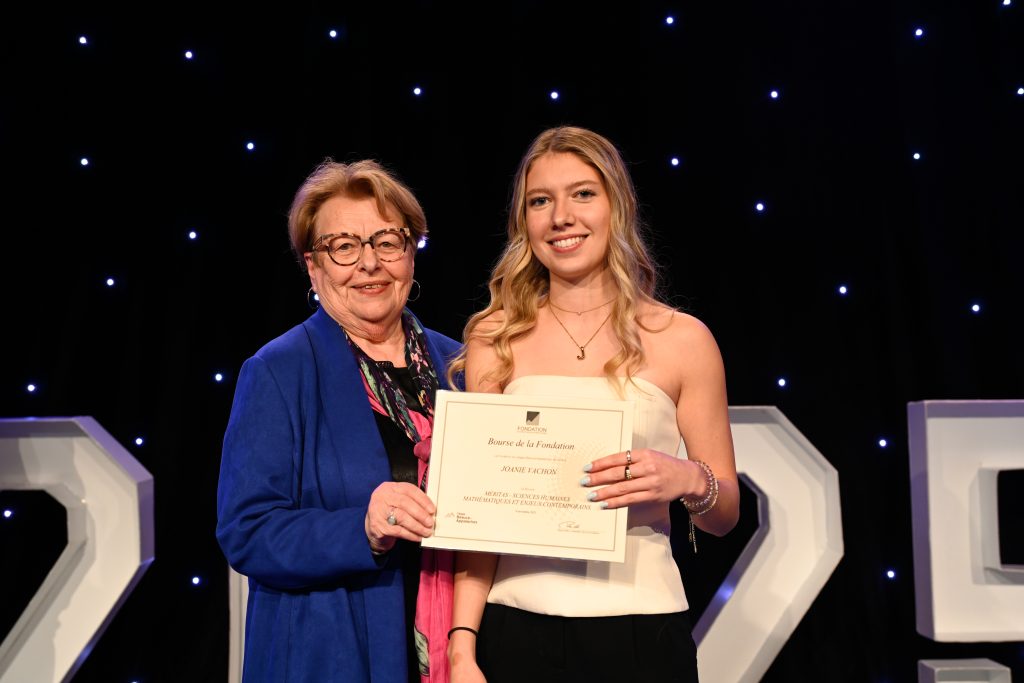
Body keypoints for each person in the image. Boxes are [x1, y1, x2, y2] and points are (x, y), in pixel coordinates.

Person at [446, 127, 739, 683]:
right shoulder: (494, 336)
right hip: (513, 625)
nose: (561, 216)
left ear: (616, 207)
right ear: (524, 221)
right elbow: (476, 518)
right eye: (540, 200)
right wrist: (462, 647)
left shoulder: (683, 339)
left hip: (641, 629)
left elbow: (725, 515)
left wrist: (687, 479)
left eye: (583, 193)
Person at [216, 159, 460, 683]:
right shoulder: (279, 371)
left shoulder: (463, 364)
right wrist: (362, 528)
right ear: (313, 265)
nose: (369, 264)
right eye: (344, 247)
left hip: (454, 647)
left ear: (411, 252)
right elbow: (247, 532)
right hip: (331, 651)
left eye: (387, 242)